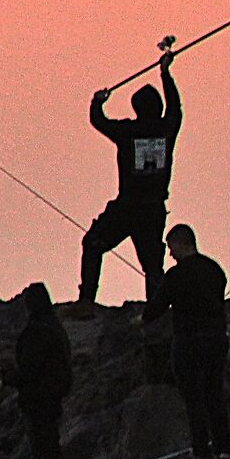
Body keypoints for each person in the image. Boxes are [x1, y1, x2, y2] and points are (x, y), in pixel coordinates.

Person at [80, 48, 182, 308]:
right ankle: (156, 310)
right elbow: (175, 108)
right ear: (157, 108)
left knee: (93, 244)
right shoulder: (166, 129)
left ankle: (86, 302)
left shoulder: (128, 131)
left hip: (127, 207)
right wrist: (165, 73)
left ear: (136, 109)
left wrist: (97, 101)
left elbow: (98, 121)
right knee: (153, 266)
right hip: (152, 209)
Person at [159, 222, 230, 459]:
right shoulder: (214, 269)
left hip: (188, 342)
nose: (170, 254)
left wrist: (141, 320)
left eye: (171, 247)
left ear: (182, 243)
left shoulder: (176, 275)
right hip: (216, 339)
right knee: (214, 394)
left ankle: (201, 449)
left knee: (193, 397)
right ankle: (223, 449)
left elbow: (158, 305)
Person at [2, 282, 73, 459]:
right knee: (49, 446)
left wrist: (6, 378)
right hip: (52, 396)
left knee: (44, 449)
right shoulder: (55, 327)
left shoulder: (36, 331)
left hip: (38, 399)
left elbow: (30, 370)